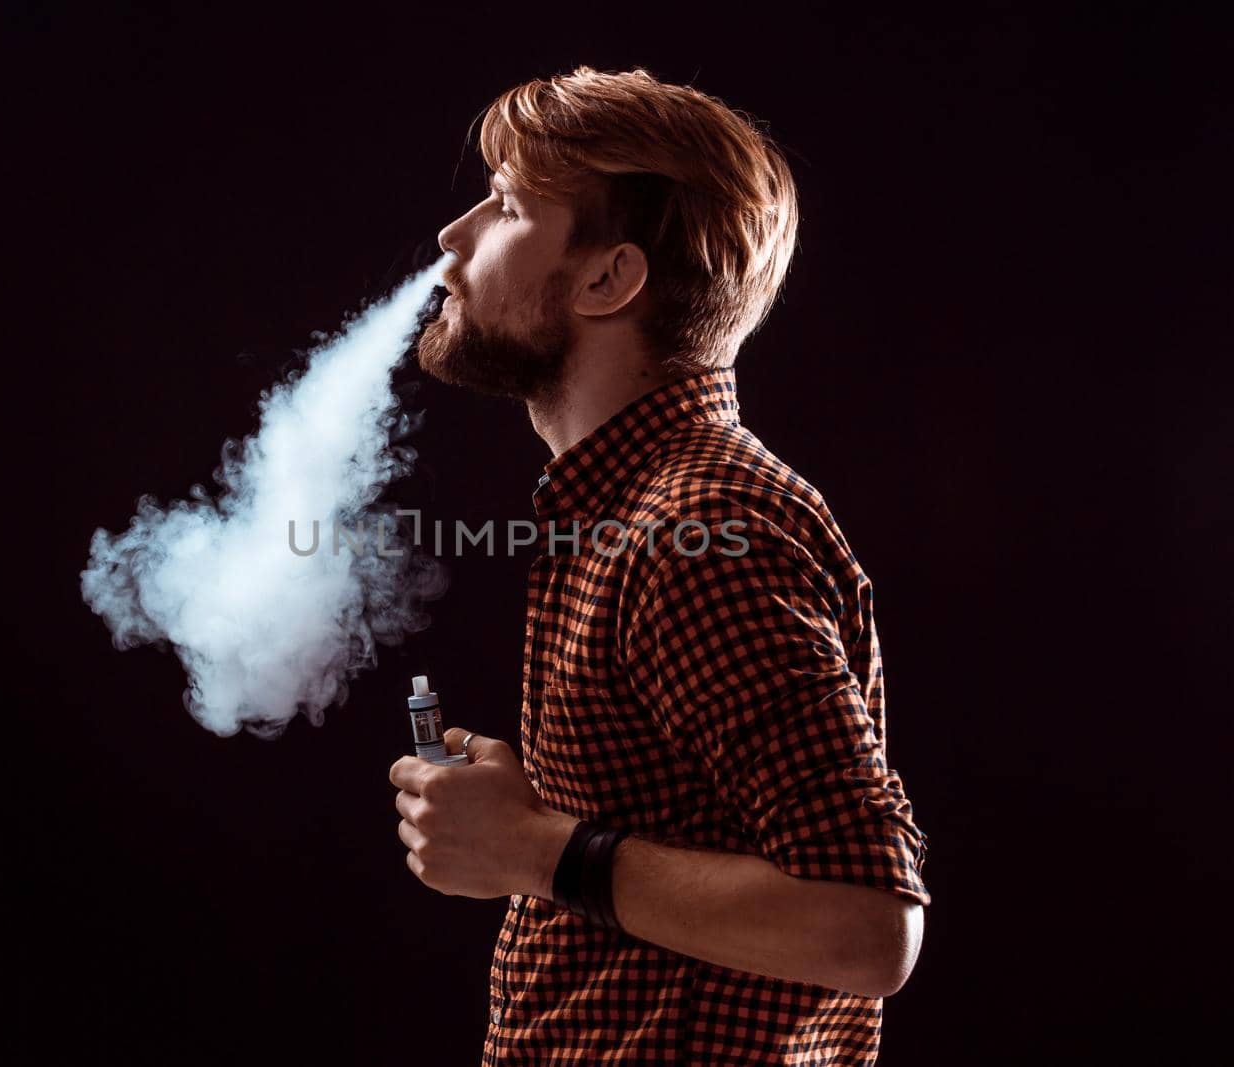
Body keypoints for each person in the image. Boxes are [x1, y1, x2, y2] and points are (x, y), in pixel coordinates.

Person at [388, 65, 930, 1066]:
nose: (453, 236)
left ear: (607, 279)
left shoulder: (700, 530)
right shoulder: (624, 512)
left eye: (505, 206)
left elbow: (864, 925)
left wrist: (534, 849)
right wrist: (536, 833)